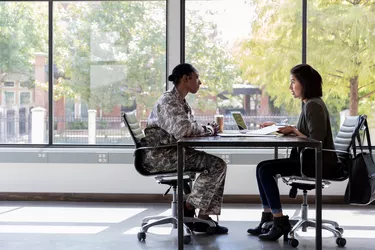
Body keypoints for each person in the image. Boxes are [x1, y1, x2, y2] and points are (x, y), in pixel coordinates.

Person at [247, 64, 340, 241]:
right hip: (309, 159)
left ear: (304, 83)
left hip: (315, 163)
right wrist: (283, 128)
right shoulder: (309, 104)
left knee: (265, 170)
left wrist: (293, 130)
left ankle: (279, 221)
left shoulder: (313, 105)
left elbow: (316, 141)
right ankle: (268, 219)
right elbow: (306, 131)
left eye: (293, 82)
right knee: (262, 168)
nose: (290, 87)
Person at [140, 63, 228, 234]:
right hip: (162, 156)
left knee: (216, 164)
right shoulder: (169, 101)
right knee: (217, 165)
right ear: (186, 79)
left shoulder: (178, 100)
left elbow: (188, 126)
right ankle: (190, 206)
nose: (200, 82)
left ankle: (202, 218)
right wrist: (209, 130)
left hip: (172, 151)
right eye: (197, 78)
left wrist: (204, 129)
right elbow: (184, 130)